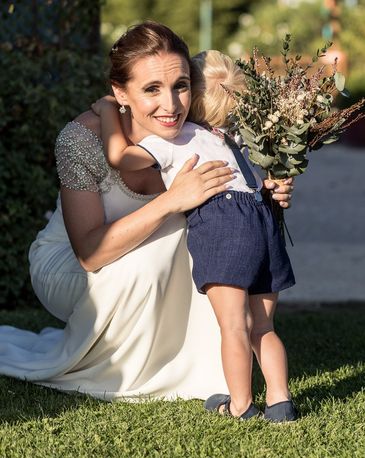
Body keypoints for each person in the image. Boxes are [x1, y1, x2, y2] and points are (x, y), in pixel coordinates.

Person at [0, 21, 294, 403]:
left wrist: (269, 192)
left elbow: (241, 219)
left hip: (148, 265)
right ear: (120, 92)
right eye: (151, 89)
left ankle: (202, 367)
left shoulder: (207, 134)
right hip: (70, 267)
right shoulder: (81, 139)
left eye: (181, 86)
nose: (171, 106)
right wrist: (173, 199)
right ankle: (141, 369)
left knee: (215, 237)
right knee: (177, 232)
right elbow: (89, 254)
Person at [90, 49, 297, 421]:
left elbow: (120, 158)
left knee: (233, 326)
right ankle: (281, 401)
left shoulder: (175, 138)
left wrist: (109, 110)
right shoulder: (236, 140)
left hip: (224, 225)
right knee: (263, 325)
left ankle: (241, 405)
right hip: (263, 220)